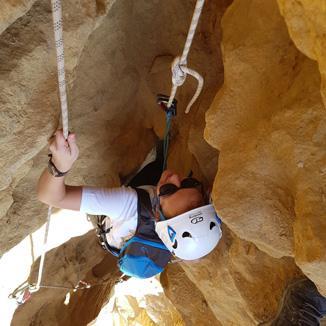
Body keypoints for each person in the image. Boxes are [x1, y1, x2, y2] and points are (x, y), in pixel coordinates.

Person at [37, 130, 222, 272]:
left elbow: (50, 196)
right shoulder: (177, 236)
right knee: (159, 171)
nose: (174, 177)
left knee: (154, 168)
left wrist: (60, 166)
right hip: (143, 217)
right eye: (188, 183)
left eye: (169, 190)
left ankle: (156, 158)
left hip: (122, 221)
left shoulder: (127, 204)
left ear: (157, 213)